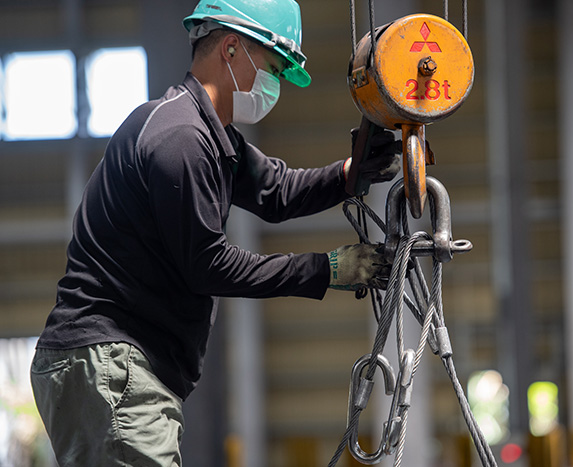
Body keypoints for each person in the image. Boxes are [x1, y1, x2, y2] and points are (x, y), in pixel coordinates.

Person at [30, 1, 400, 465]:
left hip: (117, 365)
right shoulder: (180, 139)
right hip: (112, 361)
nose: (274, 85)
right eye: (273, 69)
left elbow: (278, 192)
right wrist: (324, 269)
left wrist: (353, 171)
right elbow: (209, 265)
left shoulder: (207, 136)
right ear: (231, 49)